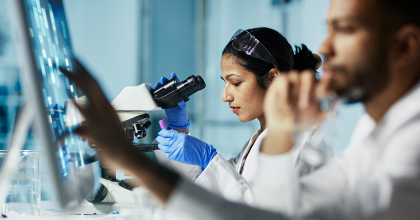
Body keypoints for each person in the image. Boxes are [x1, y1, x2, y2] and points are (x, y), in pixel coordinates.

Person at [59, 0, 420, 219]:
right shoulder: (372, 136)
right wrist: (184, 140)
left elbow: (259, 215)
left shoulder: (411, 145)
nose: (325, 46)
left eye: (345, 29)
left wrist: (134, 158)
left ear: (404, 46)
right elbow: (269, 208)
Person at [152, 27, 325, 204]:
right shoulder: (257, 141)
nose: (225, 96)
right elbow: (206, 200)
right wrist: (179, 130)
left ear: (272, 79)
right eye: (225, 83)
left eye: (236, 82)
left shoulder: (297, 142)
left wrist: (209, 159)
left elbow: (259, 213)